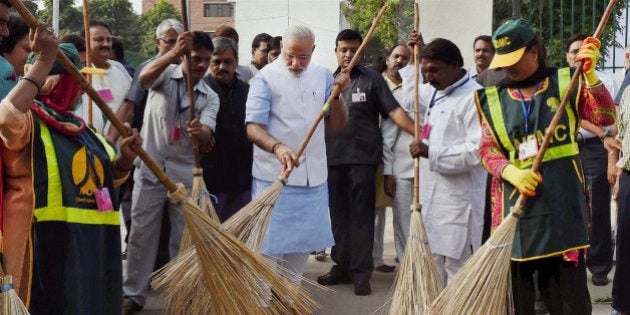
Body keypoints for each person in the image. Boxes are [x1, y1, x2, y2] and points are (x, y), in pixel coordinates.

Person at [476, 19, 615, 314]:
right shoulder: (493, 99)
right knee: (521, 301)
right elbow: (487, 150)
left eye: (515, 60)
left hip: (563, 213)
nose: (508, 69)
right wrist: (510, 171)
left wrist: (590, 78)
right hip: (517, 214)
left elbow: (605, 118)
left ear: (534, 53)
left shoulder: (567, 82)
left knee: (568, 301)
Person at [0, 22, 142, 313]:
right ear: (60, 82)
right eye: (76, 81)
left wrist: (125, 159)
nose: (80, 91)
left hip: (90, 253)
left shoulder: (86, 132)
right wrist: (43, 62)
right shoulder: (30, 123)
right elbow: (5, 119)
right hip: (42, 250)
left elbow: (107, 180)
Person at [122, 31, 219, 314]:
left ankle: (180, 295)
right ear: (185, 56)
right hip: (150, 168)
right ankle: (134, 294)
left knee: (182, 239)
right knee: (140, 235)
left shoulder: (209, 96)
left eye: (206, 60)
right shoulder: (166, 74)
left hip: (184, 175)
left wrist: (198, 131)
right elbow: (143, 80)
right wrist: (173, 54)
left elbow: (207, 133)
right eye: (196, 59)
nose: (201, 65)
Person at [245, 25, 350, 285]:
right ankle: (261, 306)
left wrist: (338, 96)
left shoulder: (323, 75)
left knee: (298, 258)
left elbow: (338, 124)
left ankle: (290, 301)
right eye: (291, 55)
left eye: (303, 57)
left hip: (312, 180)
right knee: (267, 256)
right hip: (274, 178)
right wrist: (278, 147)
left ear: (313, 51)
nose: (296, 63)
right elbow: (253, 128)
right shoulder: (265, 78)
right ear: (281, 47)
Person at [317, 29, 415, 296]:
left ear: (361, 50)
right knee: (338, 217)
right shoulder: (326, 80)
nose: (348, 54)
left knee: (361, 218)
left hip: (363, 160)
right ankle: (342, 267)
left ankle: (362, 273)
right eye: (343, 49)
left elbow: (394, 111)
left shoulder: (373, 80)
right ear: (336, 50)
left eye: (353, 49)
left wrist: (419, 131)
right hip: (332, 159)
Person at [407, 38, 485, 284]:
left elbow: (476, 150)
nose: (428, 77)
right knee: (431, 265)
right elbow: (409, 100)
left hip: (459, 201)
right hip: (431, 197)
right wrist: (412, 58)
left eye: (434, 70)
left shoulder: (475, 97)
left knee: (457, 265)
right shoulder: (435, 91)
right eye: (424, 71)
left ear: (456, 65)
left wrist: (432, 152)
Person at [106, 19, 183, 257]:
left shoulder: (190, 70)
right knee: (140, 214)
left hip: (180, 157)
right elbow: (128, 107)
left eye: (179, 43)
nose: (174, 49)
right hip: (144, 149)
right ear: (158, 43)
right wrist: (108, 143)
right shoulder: (148, 69)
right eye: (170, 43)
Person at [566, 34, 618, 286]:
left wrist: (606, 139)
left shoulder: (603, 79)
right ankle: (570, 263)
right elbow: (574, 115)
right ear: (567, 56)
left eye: (581, 50)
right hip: (570, 148)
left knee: (598, 207)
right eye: (573, 51)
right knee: (571, 206)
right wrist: (603, 132)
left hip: (597, 149)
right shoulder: (561, 83)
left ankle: (599, 266)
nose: (577, 55)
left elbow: (610, 115)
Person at [202, 36, 252, 222]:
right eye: (216, 62)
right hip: (211, 179)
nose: (222, 67)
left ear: (236, 62)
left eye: (227, 61)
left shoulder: (248, 92)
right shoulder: (201, 90)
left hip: (243, 178)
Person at [380, 43, 412, 268]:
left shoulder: (430, 93)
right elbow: (388, 138)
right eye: (396, 57)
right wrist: (388, 172)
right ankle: (406, 267)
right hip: (401, 171)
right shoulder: (400, 98)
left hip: (429, 172)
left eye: (406, 59)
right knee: (404, 224)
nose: (400, 62)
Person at [75, 20, 132, 134]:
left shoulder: (120, 71)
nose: (106, 44)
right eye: (99, 40)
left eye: (109, 40)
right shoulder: (77, 73)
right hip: (85, 143)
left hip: (117, 147)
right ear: (85, 42)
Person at [611, 88, 630, 315]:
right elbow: (621, 133)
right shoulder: (627, 92)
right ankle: (621, 306)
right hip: (628, 174)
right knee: (625, 243)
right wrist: (618, 174)